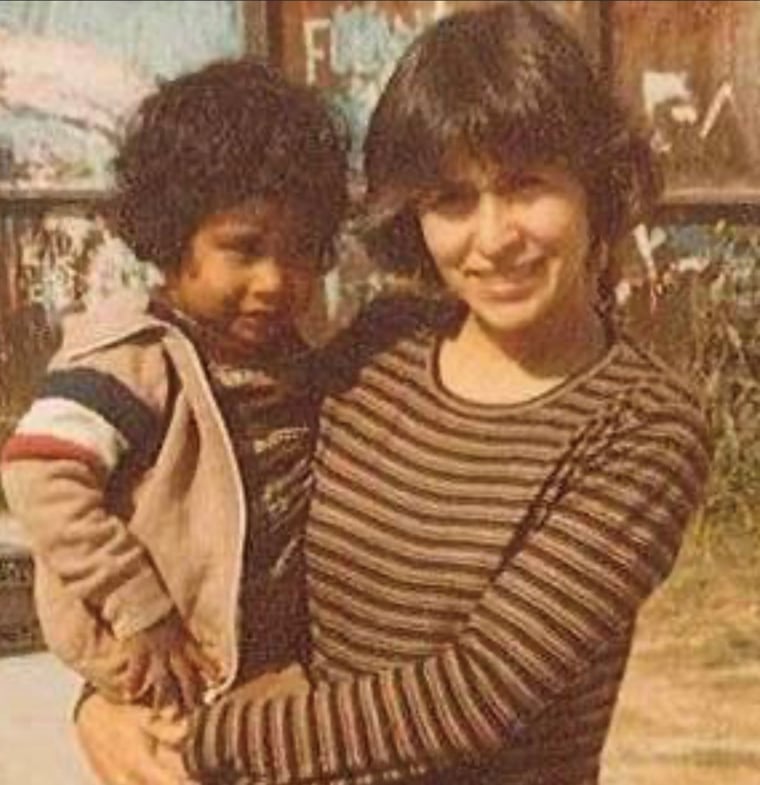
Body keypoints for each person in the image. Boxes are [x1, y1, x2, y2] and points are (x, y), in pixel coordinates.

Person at [78, 3, 712, 784]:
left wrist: (194, 736)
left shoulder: (643, 425)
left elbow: (474, 694)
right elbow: (220, 525)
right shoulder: (380, 345)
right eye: (452, 198)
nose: (493, 236)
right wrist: (110, 693)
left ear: (597, 186)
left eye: (526, 186)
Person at [1, 56, 347, 783]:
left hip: (259, 677)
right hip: (164, 666)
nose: (275, 281)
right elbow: (39, 475)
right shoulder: (133, 358)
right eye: (244, 248)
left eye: (302, 252)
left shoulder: (299, 360)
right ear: (171, 233)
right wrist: (141, 608)